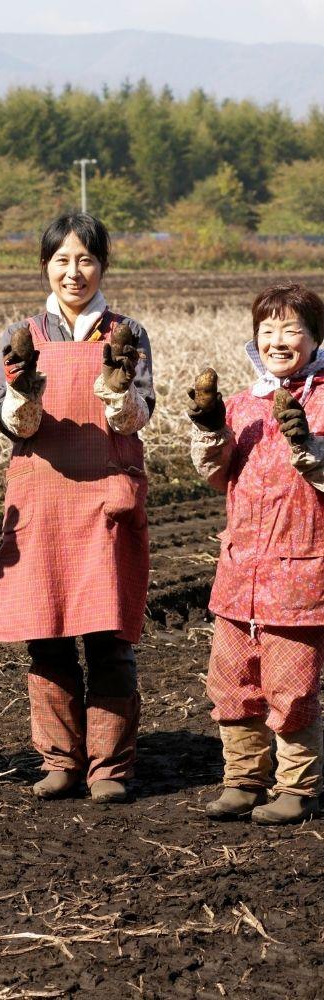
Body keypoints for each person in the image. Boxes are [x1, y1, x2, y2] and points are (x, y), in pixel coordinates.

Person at [0, 214, 153, 804]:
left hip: (105, 498)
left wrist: (117, 382)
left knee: (108, 636)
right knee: (47, 635)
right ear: (45, 267)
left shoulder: (127, 332)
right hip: (44, 499)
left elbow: (135, 419)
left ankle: (109, 767)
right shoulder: (22, 334)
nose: (73, 271)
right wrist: (23, 389)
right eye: (61, 260)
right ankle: (60, 760)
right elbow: (14, 425)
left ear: (102, 265)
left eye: (85, 259)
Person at [188, 282, 324, 825]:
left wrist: (310, 449)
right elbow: (215, 477)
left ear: (315, 337)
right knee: (232, 682)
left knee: (291, 686)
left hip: (300, 572)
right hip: (239, 570)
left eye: (291, 329)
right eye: (267, 329)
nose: (277, 339)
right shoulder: (243, 403)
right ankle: (243, 780)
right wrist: (211, 430)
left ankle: (297, 788)